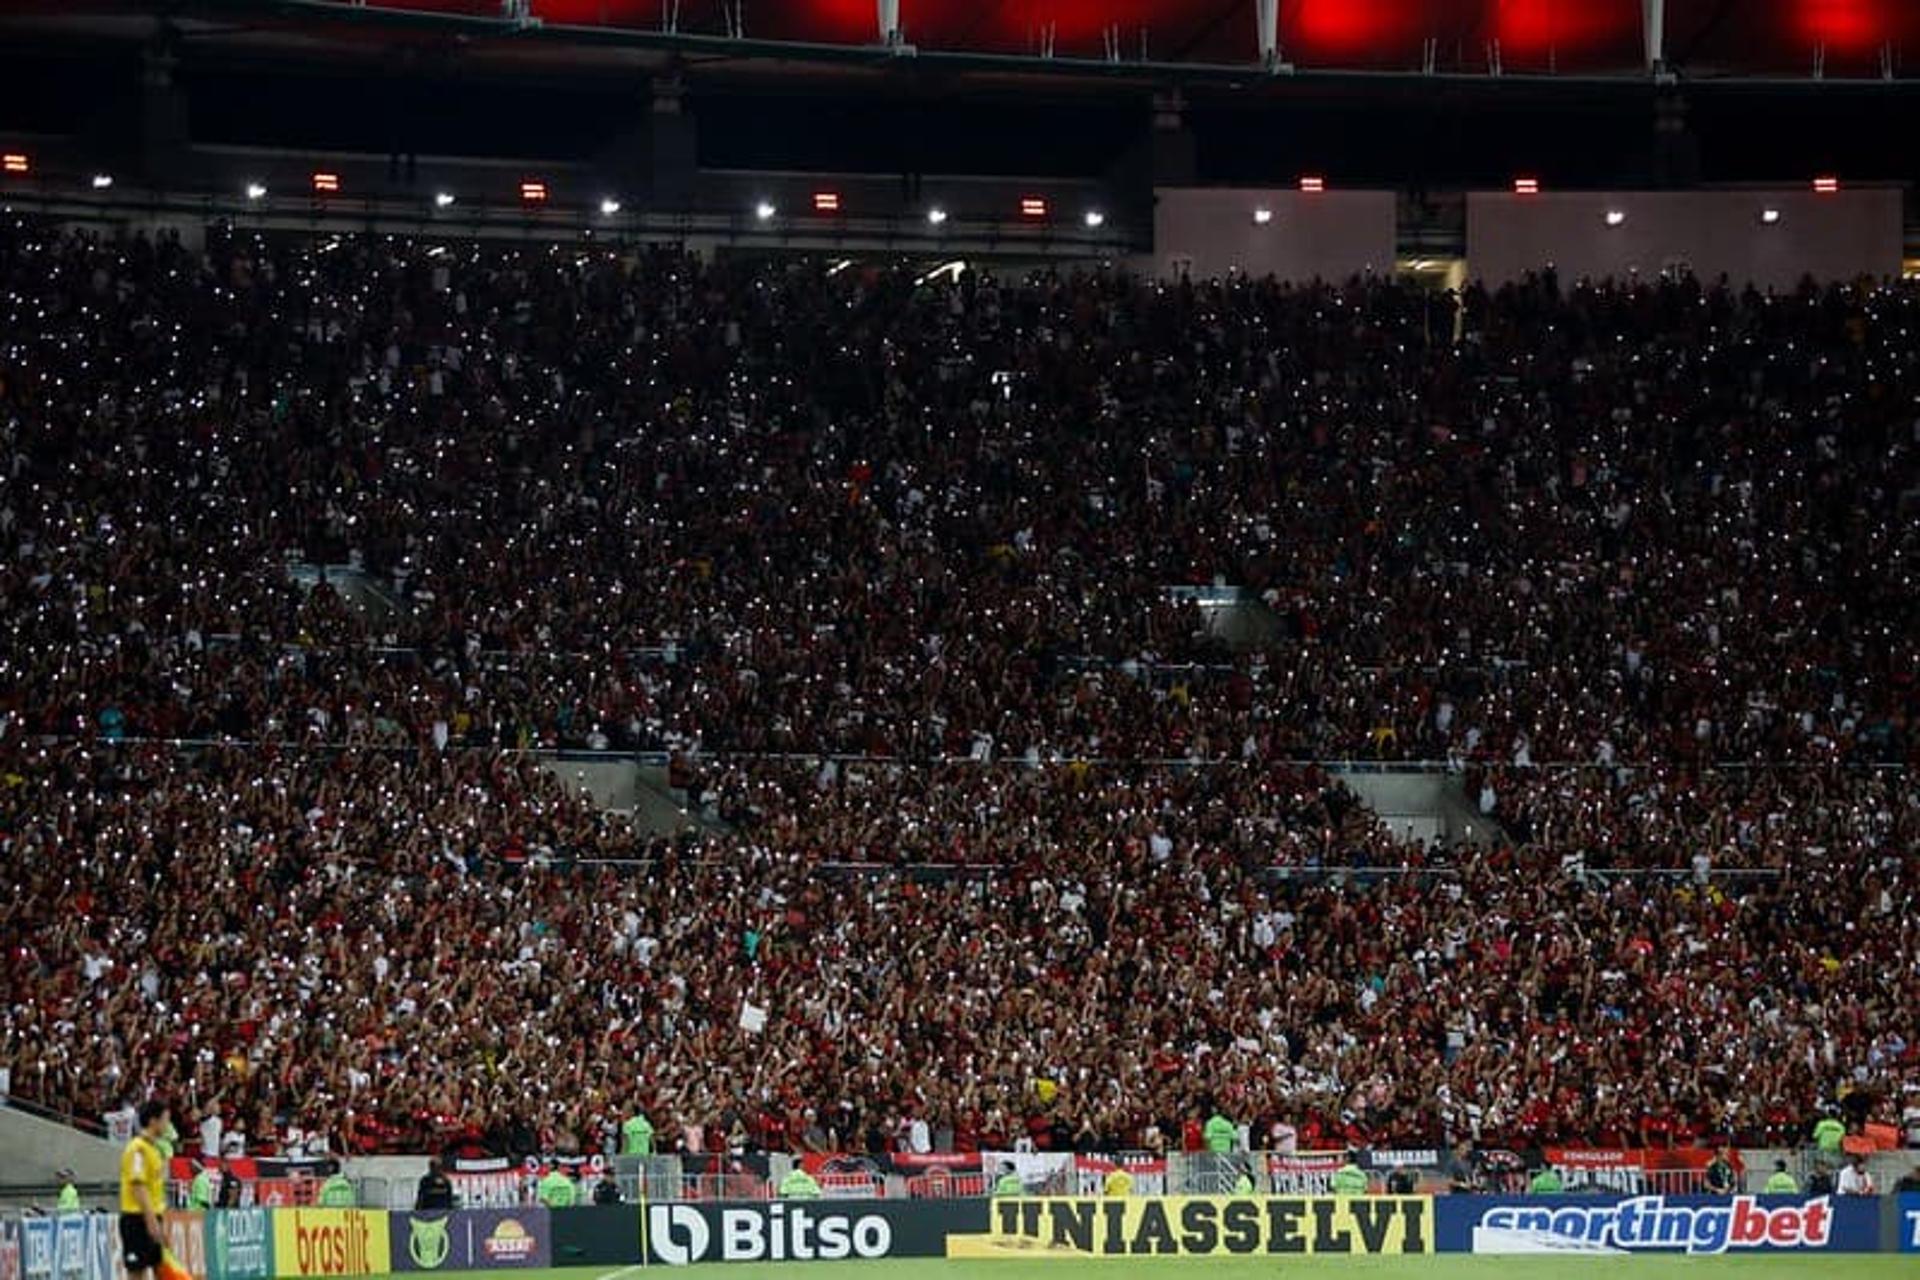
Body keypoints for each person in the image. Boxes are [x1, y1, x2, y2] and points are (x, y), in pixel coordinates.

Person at [119, 1100, 170, 1280]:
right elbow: (138, 1187)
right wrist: (151, 1221)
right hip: (136, 1218)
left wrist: (158, 1220)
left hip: (152, 1216)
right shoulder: (137, 1149)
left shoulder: (154, 1149)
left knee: (160, 1269)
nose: (167, 1125)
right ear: (153, 1121)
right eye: (165, 1119)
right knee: (137, 1272)